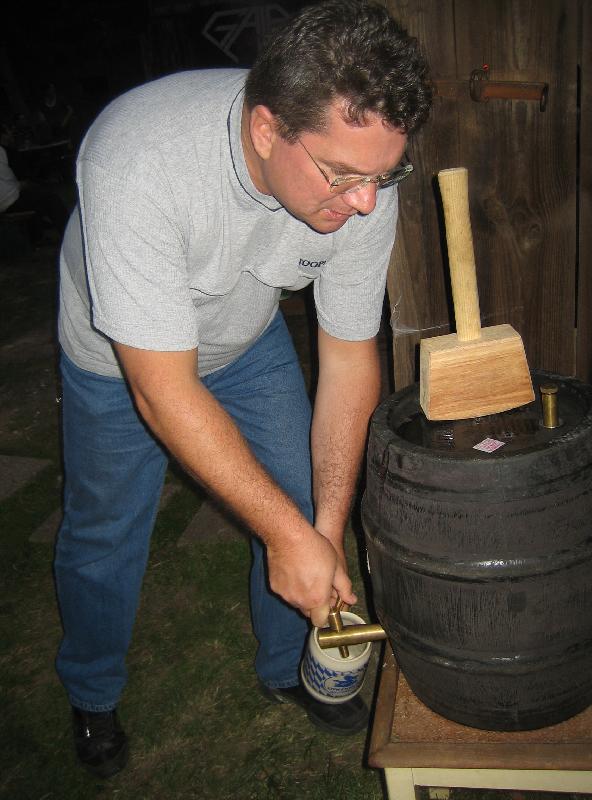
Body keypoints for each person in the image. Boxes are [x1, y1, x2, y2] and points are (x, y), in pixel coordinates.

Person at [54, 0, 432, 779]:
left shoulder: (362, 171)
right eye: (343, 177)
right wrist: (290, 537)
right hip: (122, 362)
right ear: (267, 130)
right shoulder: (136, 160)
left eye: (383, 176)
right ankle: (92, 691)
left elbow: (349, 359)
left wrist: (322, 528)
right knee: (104, 532)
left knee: (299, 502)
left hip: (243, 336)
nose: (366, 201)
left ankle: (290, 664)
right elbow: (163, 389)